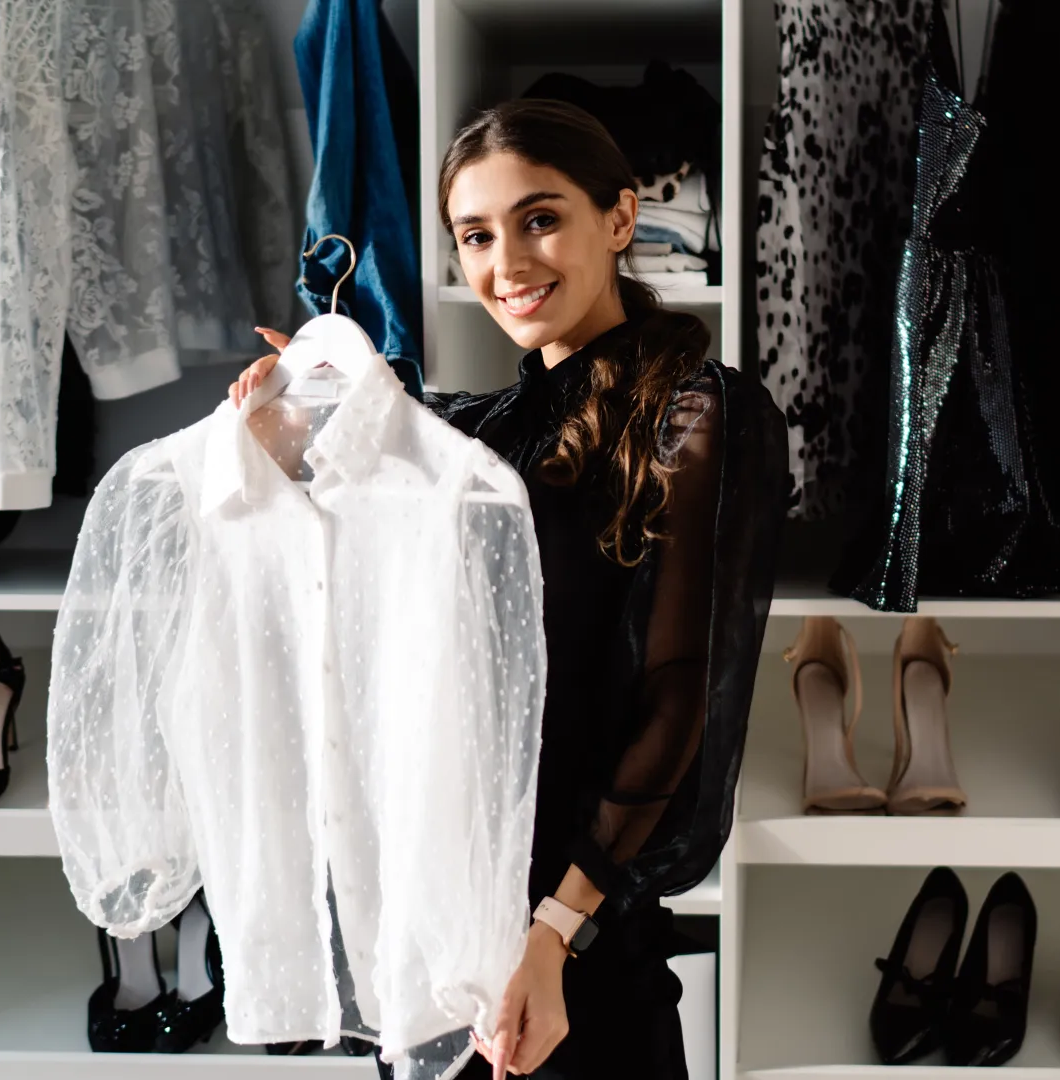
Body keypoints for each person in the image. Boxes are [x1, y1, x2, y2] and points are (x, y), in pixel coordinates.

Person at [231, 99, 787, 1080]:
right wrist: (281, 454)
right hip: (442, 931)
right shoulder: (470, 434)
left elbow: (677, 694)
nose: (507, 264)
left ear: (620, 219)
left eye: (540, 219)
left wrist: (554, 932)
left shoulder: (700, 412)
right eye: (475, 236)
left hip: (573, 946)